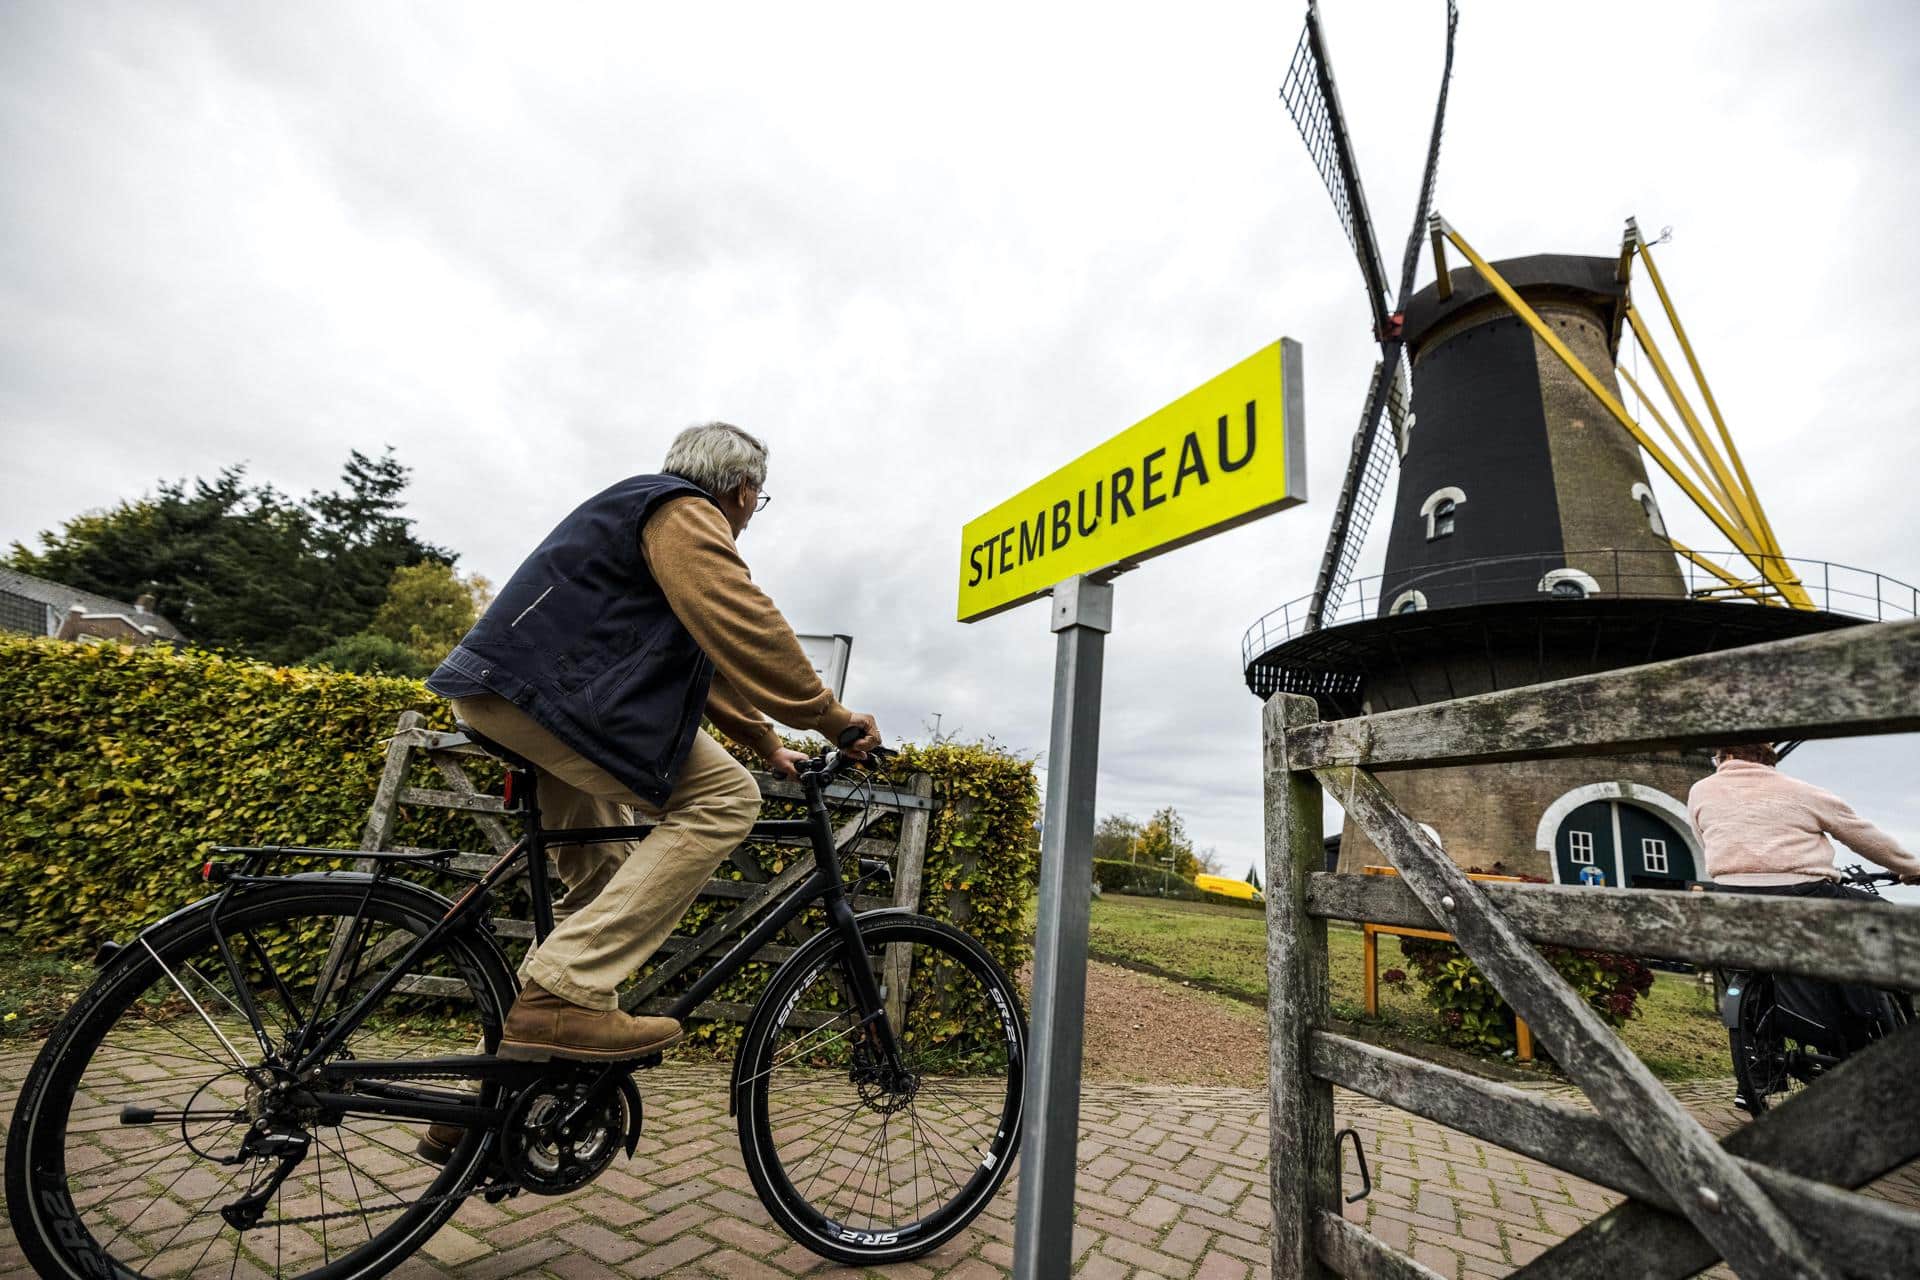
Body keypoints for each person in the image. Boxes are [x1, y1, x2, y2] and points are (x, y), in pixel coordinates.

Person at [424, 422, 881, 1064]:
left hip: (516, 692)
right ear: (745, 490)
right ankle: (563, 996)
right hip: (552, 697)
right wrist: (832, 717)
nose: (754, 512)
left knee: (603, 874)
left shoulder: (647, 513)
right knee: (724, 798)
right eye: (759, 499)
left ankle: (495, 1095)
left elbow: (704, 653)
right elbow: (738, 619)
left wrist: (764, 740)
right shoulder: (683, 511)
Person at [1688, 742, 1920, 890]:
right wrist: (1913, 868)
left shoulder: (1699, 790)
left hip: (1730, 890)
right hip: (1802, 889)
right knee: (1891, 920)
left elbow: (1703, 841)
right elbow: (1866, 839)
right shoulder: (1804, 791)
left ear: (1726, 757)